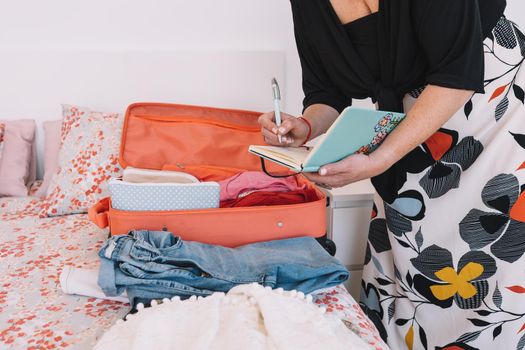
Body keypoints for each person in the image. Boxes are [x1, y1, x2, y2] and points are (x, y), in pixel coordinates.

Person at [258, 0, 525, 348]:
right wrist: (305, 125)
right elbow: (327, 91)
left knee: (500, 273)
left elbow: (457, 76)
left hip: (498, 111)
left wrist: (381, 158)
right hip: (411, 132)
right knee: (414, 276)